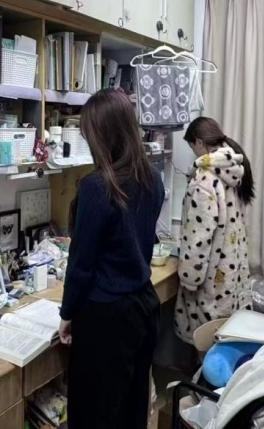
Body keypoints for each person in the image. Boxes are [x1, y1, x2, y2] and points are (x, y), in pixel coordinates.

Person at [58, 89, 165, 429]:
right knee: (131, 409)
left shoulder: (97, 187)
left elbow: (81, 264)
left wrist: (67, 314)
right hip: (143, 307)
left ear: (102, 135)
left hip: (106, 318)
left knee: (95, 416)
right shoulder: (152, 178)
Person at [175, 117, 255, 343]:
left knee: (206, 345)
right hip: (231, 276)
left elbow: (198, 240)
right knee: (225, 344)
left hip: (209, 285)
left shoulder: (205, 180)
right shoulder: (233, 171)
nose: (193, 152)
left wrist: (189, 279)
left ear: (199, 142)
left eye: (192, 146)